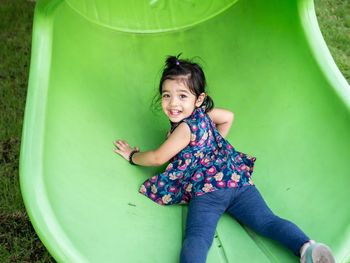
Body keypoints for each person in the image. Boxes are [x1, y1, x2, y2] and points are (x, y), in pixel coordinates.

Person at [113, 54, 335, 263]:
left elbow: (156, 157)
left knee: (198, 236)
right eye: (166, 95)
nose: (173, 104)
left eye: (182, 96)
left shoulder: (184, 129)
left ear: (198, 99)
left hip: (208, 191)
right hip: (238, 179)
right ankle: (307, 247)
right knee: (268, 221)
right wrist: (211, 144)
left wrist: (132, 155)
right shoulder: (204, 116)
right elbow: (228, 117)